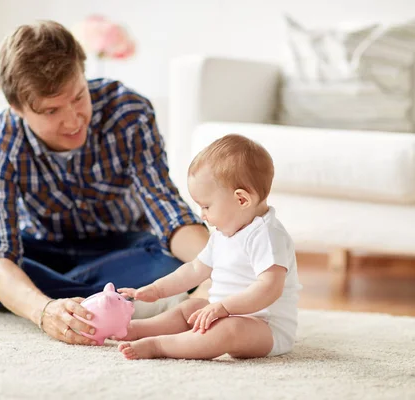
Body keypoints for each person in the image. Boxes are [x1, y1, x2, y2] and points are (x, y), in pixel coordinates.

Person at [0, 20, 210, 346]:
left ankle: (4, 296)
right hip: (39, 250)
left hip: (123, 250)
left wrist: (220, 264)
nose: (72, 120)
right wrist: (43, 312)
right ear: (17, 109)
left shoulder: (128, 111)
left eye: (78, 97)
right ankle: (113, 304)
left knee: (172, 265)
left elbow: (167, 212)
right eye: (52, 110)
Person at [116, 134, 302, 360]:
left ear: (241, 200)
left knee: (228, 330)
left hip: (264, 327)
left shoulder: (267, 235)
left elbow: (269, 288)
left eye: (206, 206)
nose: (202, 215)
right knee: (190, 308)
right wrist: (156, 289)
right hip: (223, 312)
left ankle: (161, 346)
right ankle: (136, 329)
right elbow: (195, 270)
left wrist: (224, 308)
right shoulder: (223, 234)